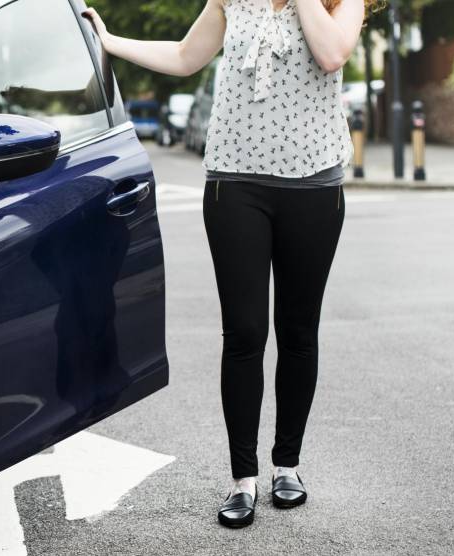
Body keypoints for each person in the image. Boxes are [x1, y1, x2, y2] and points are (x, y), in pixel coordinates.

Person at [83, 0, 379, 528]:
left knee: (297, 332)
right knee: (243, 333)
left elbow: (333, 54)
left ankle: (286, 465)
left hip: (314, 186)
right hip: (235, 183)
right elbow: (183, 55)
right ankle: (242, 478)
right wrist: (110, 43)